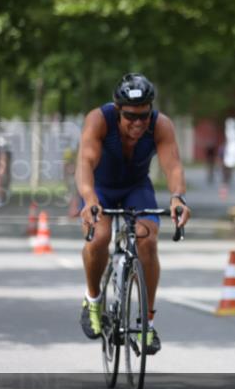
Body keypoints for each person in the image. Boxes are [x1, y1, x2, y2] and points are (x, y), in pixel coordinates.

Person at [76, 73, 191, 354]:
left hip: (136, 188)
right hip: (100, 188)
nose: (138, 123)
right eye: (130, 116)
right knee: (99, 238)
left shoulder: (160, 125)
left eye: (144, 115)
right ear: (118, 111)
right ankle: (93, 300)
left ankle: (146, 324)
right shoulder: (99, 120)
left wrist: (178, 197)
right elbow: (85, 162)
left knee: (147, 241)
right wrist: (89, 198)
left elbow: (173, 166)